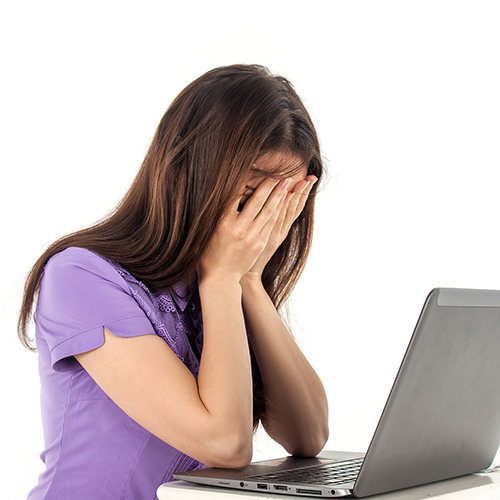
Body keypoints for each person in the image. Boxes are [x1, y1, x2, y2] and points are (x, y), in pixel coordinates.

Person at [18, 64, 329, 500]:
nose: (264, 216)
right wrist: (223, 277)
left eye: (284, 199)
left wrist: (250, 281)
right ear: (190, 170)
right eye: (251, 193)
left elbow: (308, 435)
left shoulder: (217, 284)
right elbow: (224, 443)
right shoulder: (80, 277)